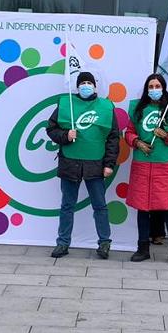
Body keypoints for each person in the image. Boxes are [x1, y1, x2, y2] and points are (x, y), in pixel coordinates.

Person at [45, 71, 118, 258]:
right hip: (70, 163)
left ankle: (104, 243)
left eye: (89, 82)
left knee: (100, 206)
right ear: (77, 86)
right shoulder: (66, 104)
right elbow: (51, 128)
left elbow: (113, 138)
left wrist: (109, 164)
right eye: (82, 82)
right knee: (67, 205)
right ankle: (62, 243)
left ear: (95, 86)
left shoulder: (106, 107)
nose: (86, 85)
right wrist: (65, 136)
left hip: (96, 164)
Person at [125, 74, 168, 265]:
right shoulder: (137, 108)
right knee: (142, 209)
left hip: (165, 166)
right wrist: (136, 142)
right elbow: (128, 132)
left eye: (157, 85)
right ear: (146, 89)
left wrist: (167, 135)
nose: (154, 89)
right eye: (151, 86)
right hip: (142, 165)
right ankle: (142, 248)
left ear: (163, 87)